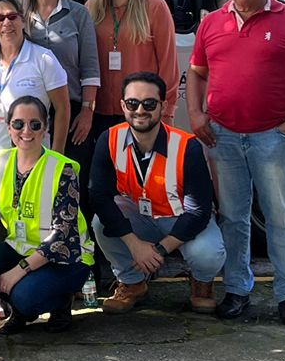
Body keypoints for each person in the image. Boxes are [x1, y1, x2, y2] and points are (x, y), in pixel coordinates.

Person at [187, 0, 285, 329]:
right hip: (224, 137)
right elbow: (197, 73)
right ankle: (237, 290)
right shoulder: (211, 23)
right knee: (233, 218)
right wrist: (197, 114)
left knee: (282, 219)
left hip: (273, 137)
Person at [0, 0, 68, 322]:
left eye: (12, 16)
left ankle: (45, 293)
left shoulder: (43, 59)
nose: (6, 23)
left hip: (36, 161)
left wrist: (59, 158)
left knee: (37, 228)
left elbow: (63, 110)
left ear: (23, 20)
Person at [90, 72, 225, 316]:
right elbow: (99, 197)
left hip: (180, 218)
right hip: (139, 217)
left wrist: (159, 250)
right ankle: (132, 284)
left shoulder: (188, 146)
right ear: (123, 106)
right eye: (132, 103)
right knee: (101, 224)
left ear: (162, 106)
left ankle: (202, 282)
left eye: (149, 103)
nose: (140, 110)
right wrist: (135, 245)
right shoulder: (108, 139)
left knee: (207, 253)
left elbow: (199, 211)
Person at [0, 95, 92, 335]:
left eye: (35, 124)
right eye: (19, 124)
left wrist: (18, 271)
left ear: (45, 128)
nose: (26, 131)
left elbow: (61, 234)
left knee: (24, 296)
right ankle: (22, 304)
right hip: (21, 246)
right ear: (9, 127)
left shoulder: (62, 168)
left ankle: (58, 303)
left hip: (67, 257)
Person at [23, 0, 102, 204]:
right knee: (35, 186)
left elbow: (90, 68)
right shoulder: (20, 18)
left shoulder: (79, 14)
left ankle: (78, 241)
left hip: (71, 109)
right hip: (30, 114)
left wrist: (88, 112)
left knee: (73, 185)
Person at [86, 0, 179, 139]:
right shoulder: (91, 8)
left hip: (142, 110)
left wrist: (166, 110)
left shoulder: (155, 7)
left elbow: (168, 64)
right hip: (100, 112)